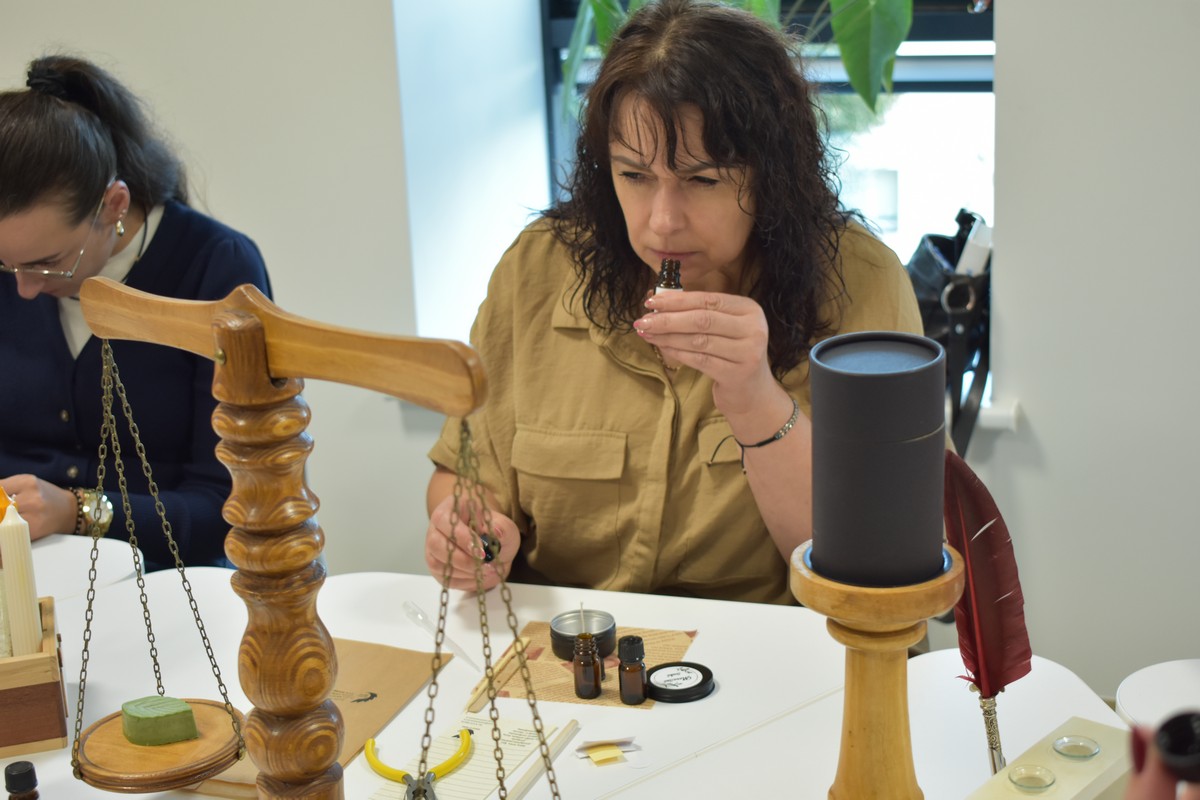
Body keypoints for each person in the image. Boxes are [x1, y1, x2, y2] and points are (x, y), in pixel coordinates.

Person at [424, 0, 922, 604]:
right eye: (634, 176)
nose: (661, 223)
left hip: (769, 647)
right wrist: (470, 534)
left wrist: (756, 401)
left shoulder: (861, 280)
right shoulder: (538, 267)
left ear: (773, 177)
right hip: (568, 639)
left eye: (702, 180)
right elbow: (467, 478)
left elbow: (873, 566)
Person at [0, 55, 272, 571]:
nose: (24, 289)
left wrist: (80, 511)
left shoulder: (215, 266)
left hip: (176, 579)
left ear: (114, 205)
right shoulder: (17, 259)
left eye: (47, 263)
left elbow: (231, 506)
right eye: (6, 264)